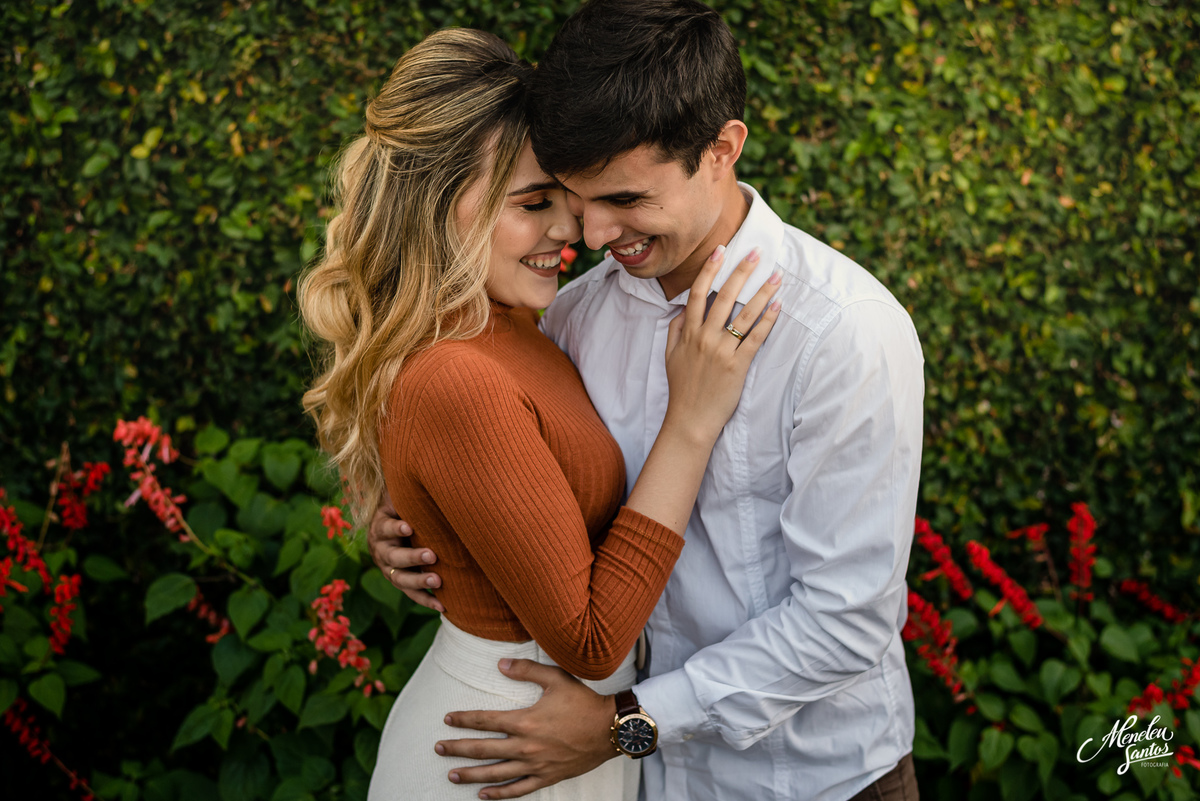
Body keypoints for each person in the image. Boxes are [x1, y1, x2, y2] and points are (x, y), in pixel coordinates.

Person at [369, 2, 925, 800]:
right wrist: (416, 524)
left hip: (808, 781)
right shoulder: (574, 316)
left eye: (626, 199)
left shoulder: (844, 334)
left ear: (722, 149)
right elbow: (513, 465)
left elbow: (845, 623)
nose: (592, 233)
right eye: (570, 195)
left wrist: (625, 723)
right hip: (642, 783)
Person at [297, 27, 781, 801]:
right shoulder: (457, 371)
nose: (573, 232)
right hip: (500, 751)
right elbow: (590, 639)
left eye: (568, 198)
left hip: (554, 739)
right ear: (436, 204)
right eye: (533, 204)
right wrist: (692, 420)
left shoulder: (528, 324)